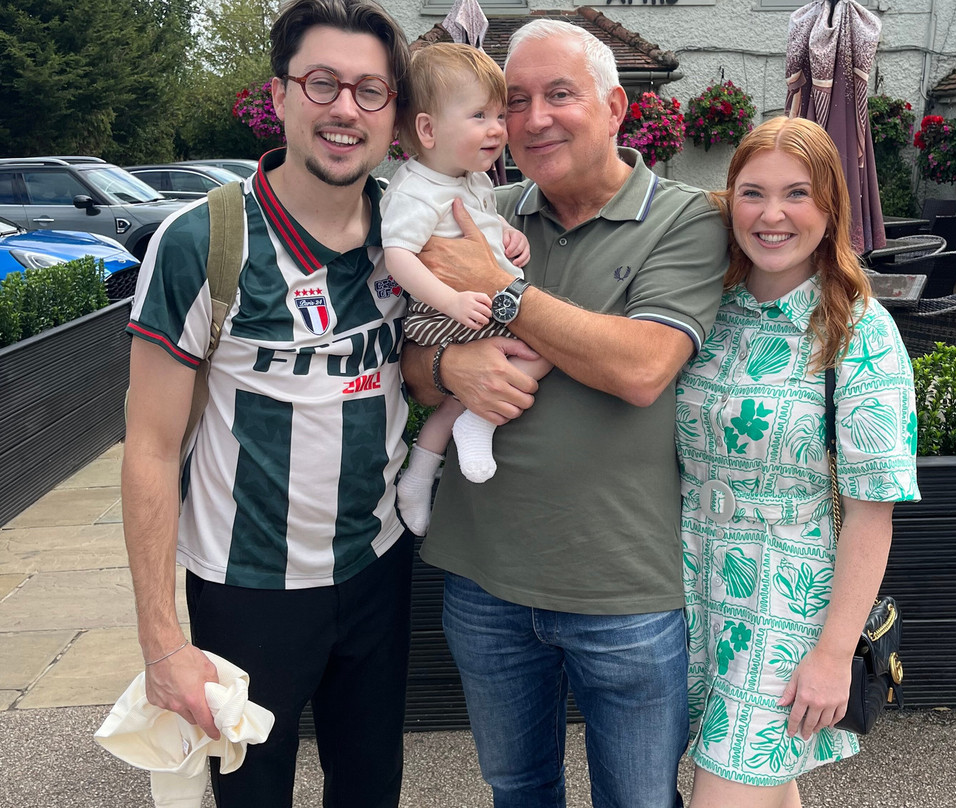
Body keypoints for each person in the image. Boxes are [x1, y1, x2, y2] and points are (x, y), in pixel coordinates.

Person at [401, 19, 727, 808]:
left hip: (625, 588)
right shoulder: (481, 209)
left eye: (559, 94)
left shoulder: (686, 220)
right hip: (485, 578)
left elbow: (642, 368)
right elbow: (411, 361)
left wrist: (502, 288)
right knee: (517, 789)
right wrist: (448, 365)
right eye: (515, 100)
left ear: (615, 107)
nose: (533, 118)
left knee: (638, 800)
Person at [121, 1, 413, 805]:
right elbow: (149, 448)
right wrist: (161, 641)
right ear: (279, 94)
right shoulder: (202, 243)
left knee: (371, 790)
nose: (346, 108)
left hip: (378, 565)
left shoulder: (408, 232)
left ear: (394, 114)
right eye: (322, 83)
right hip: (246, 589)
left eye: (370, 90)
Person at [677, 116, 921, 808]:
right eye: (753, 193)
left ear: (830, 208)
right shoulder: (706, 308)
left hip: (786, 602)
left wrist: (834, 653)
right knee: (764, 785)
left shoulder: (860, 331)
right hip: (686, 586)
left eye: (797, 194)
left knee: (729, 789)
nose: (772, 214)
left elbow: (871, 515)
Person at [383, 43, 551, 536]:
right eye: (479, 115)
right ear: (428, 129)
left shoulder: (470, 179)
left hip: (476, 305)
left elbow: (483, 222)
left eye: (499, 115)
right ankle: (479, 422)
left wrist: (510, 235)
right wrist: (451, 300)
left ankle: (418, 475)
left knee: (463, 394)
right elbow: (398, 256)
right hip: (446, 313)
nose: (498, 129)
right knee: (551, 339)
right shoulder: (416, 191)